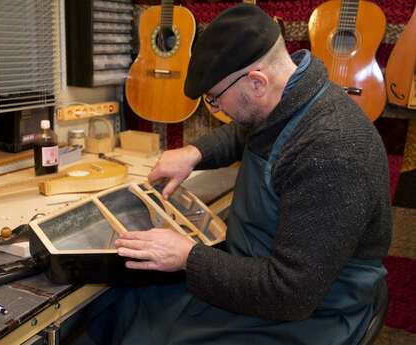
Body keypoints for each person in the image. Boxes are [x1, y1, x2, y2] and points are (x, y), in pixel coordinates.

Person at [101, 4, 392, 345]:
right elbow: (245, 130)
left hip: (313, 311)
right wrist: (194, 153)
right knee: (125, 304)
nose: (216, 109)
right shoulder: (289, 96)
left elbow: (290, 294)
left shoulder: (331, 152)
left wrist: (187, 257)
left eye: (215, 98)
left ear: (256, 82)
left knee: (144, 332)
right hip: (262, 275)